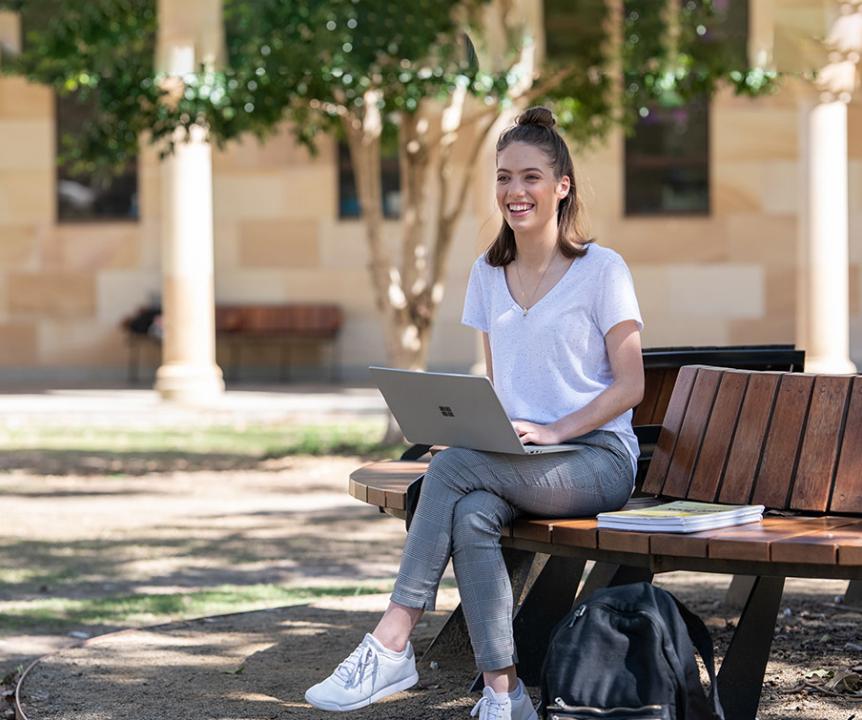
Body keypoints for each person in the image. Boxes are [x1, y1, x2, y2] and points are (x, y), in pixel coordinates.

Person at [305, 106, 644, 720]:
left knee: (457, 472)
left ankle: (392, 640)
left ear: (561, 185)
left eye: (531, 177)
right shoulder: (488, 274)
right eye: (504, 177)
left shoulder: (602, 270)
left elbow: (630, 386)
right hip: (521, 459)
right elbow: (500, 385)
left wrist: (556, 430)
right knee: (473, 514)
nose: (515, 191)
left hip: (595, 458)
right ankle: (504, 694)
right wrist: (474, 435)